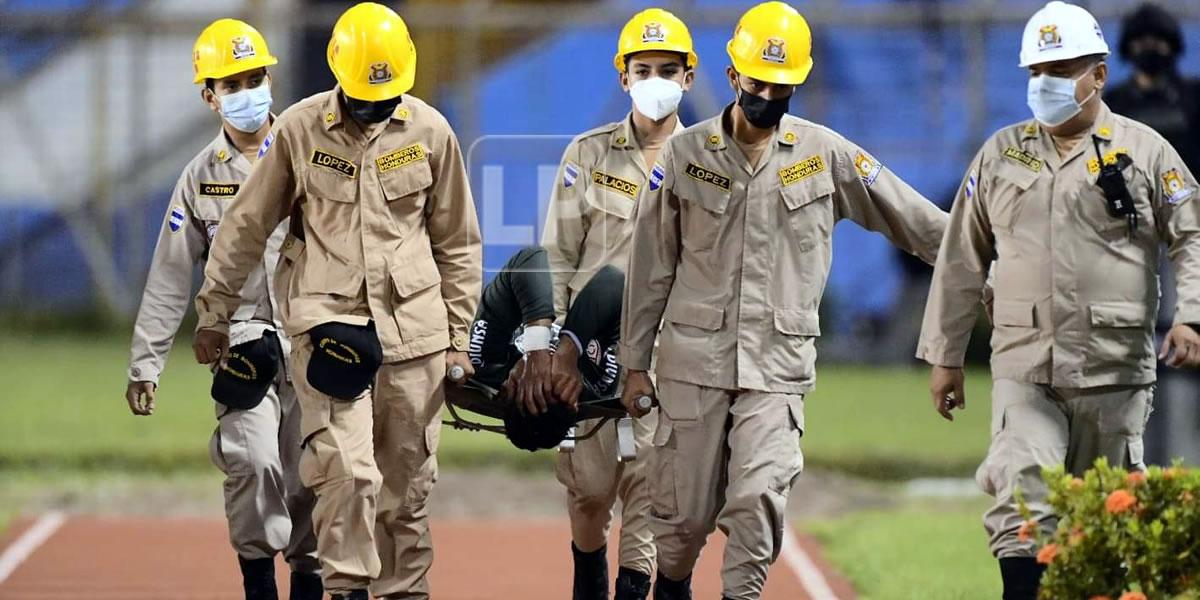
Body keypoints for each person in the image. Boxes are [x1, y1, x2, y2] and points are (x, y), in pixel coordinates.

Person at [618, 3, 948, 598]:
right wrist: (635, 363)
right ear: (733, 73)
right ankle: (672, 584)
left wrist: (992, 269)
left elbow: (916, 220)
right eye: (758, 80)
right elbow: (649, 268)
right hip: (693, 366)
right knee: (682, 521)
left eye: (782, 84)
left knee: (758, 496)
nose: (768, 93)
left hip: (776, 368)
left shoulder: (828, 155)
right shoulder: (685, 156)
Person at [191, 4, 482, 599]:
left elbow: (458, 244)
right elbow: (245, 227)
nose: (375, 107)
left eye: (387, 95)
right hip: (329, 335)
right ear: (337, 73)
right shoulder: (297, 132)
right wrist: (215, 314)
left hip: (416, 343)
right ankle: (346, 589)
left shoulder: (432, 133)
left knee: (404, 499)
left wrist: (457, 342)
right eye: (364, 96)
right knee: (345, 476)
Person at [917, 2, 1200, 598]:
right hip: (1026, 367)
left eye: (1061, 69)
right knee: (1025, 506)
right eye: (1035, 72)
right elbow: (962, 255)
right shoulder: (1000, 154)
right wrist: (945, 355)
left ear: (1098, 74)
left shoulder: (1146, 152)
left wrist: (1192, 317)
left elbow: (1190, 234)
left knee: (1104, 522)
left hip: (1114, 373)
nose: (1044, 84)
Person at [123, 19, 320, 600]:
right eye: (231, 83)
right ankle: (258, 582)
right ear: (209, 95)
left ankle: (308, 578)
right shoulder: (198, 179)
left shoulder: (313, 157)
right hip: (240, 343)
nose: (248, 92)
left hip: (313, 339)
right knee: (253, 460)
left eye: (255, 77)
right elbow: (169, 274)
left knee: (311, 477)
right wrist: (145, 363)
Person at [541, 8, 696, 599]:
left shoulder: (710, 162)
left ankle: (632, 583)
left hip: (669, 352)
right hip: (590, 351)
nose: (654, 79)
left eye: (667, 68)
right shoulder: (588, 155)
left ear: (688, 76)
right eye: (642, 68)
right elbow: (558, 253)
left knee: (653, 490)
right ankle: (588, 570)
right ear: (623, 75)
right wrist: (548, 342)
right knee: (588, 491)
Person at [1106, 1, 1200, 466]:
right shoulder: (1114, 108)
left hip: (1188, 235)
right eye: (1143, 42)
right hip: (1130, 238)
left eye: (1159, 41)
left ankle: (1183, 462)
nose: (1151, 50)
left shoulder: (1193, 101)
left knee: (1185, 338)